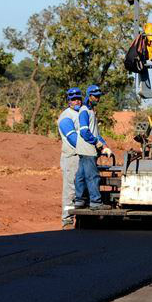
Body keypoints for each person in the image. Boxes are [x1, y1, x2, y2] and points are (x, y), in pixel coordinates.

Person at [74, 84, 113, 210]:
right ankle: (96, 202)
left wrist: (104, 145)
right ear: (89, 96)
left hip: (84, 148)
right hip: (87, 148)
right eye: (95, 96)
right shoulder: (85, 110)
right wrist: (97, 143)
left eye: (98, 96)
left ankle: (79, 200)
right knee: (92, 176)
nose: (98, 98)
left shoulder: (90, 110)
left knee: (81, 175)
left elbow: (95, 131)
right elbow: (85, 132)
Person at [57, 87, 83, 228]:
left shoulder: (82, 114)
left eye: (78, 98)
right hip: (71, 157)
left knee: (82, 188)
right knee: (70, 190)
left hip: (83, 156)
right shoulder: (66, 117)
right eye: (73, 99)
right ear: (69, 101)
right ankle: (67, 220)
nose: (76, 101)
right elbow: (73, 138)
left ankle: (81, 219)